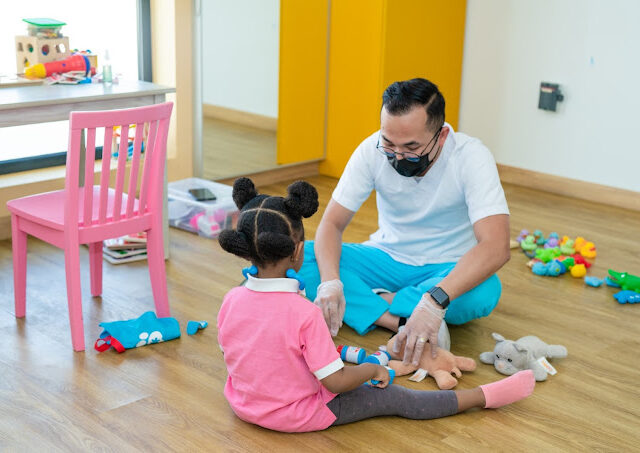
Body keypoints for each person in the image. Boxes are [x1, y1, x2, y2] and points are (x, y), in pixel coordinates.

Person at [217, 177, 534, 433]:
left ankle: (387, 308)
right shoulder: (305, 313)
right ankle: (482, 396)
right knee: (396, 398)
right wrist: (373, 368)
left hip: (245, 405)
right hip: (298, 413)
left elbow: (240, 351)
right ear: (298, 250)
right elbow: (335, 382)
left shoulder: (231, 298)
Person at [298, 78, 511, 366]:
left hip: (447, 266)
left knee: (485, 291)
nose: (397, 156)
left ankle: (377, 301)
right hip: (385, 257)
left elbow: (496, 247)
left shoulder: (471, 157)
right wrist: (330, 283)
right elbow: (332, 225)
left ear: (442, 136)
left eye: (411, 147)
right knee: (301, 258)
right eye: (389, 143)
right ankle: (395, 320)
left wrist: (434, 300)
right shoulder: (370, 150)